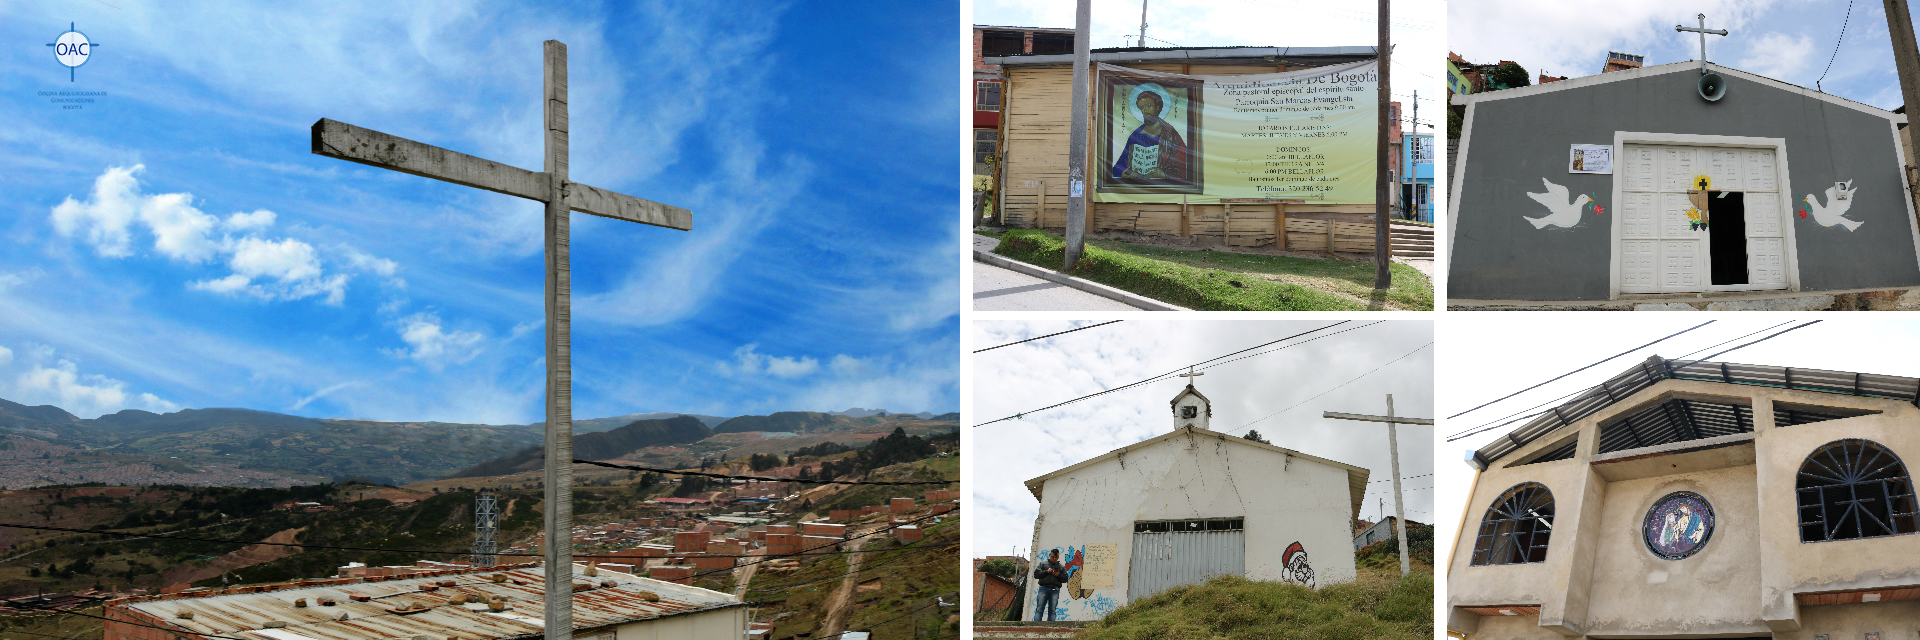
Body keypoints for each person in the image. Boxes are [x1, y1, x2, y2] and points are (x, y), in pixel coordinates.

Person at [1110, 89, 1191, 183]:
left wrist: (1164, 174)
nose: (1145, 111)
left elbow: (1185, 165)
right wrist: (1122, 174)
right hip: (1138, 184)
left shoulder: (1170, 134)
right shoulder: (1135, 135)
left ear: (1157, 107)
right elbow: (1119, 166)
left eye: (1148, 106)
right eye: (1141, 107)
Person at [1033, 548, 1065, 621]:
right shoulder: (1043, 564)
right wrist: (1046, 571)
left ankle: (1050, 627)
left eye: (1056, 557)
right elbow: (1036, 575)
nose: (1054, 559)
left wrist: (1058, 575)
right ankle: (1036, 626)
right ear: (1049, 555)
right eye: (1052, 557)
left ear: (1058, 557)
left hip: (1055, 589)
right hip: (1043, 588)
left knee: (1052, 611)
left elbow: (1065, 579)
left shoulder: (1061, 567)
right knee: (1039, 609)